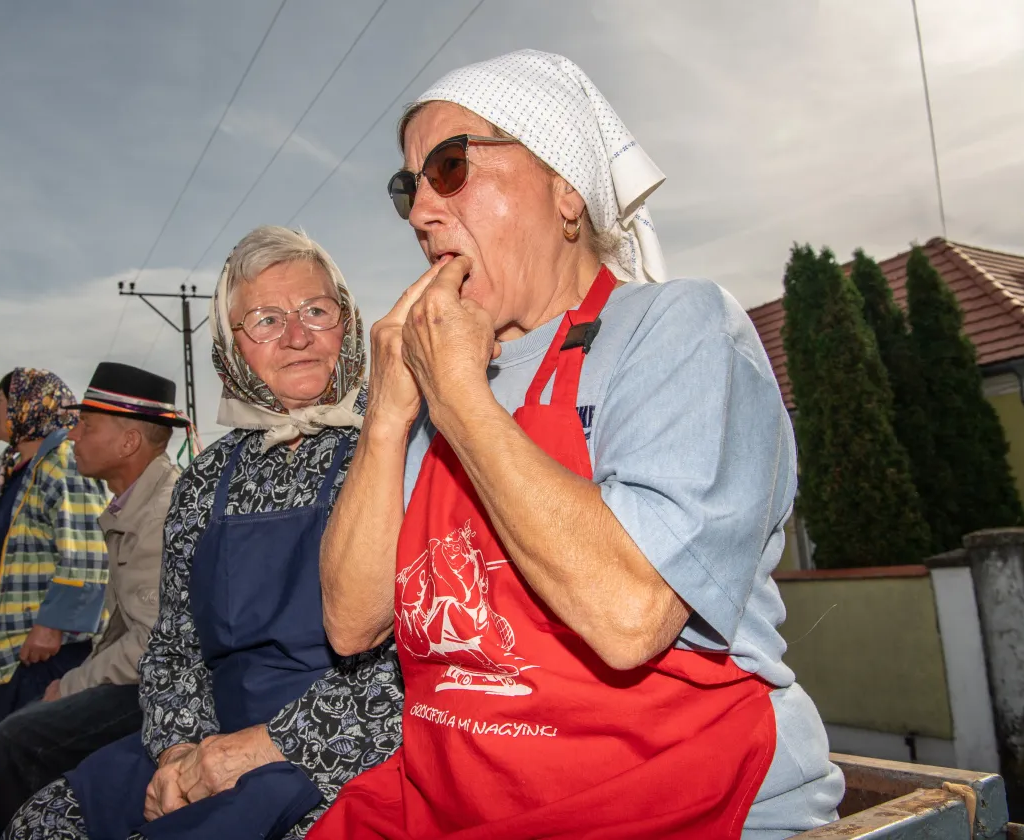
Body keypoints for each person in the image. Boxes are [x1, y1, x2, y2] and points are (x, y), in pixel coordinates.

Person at [312, 50, 845, 840]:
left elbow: (630, 614)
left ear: (565, 191)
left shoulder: (680, 330)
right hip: (449, 806)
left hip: (675, 801)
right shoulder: (425, 390)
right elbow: (352, 622)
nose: (421, 209)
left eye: (449, 167)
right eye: (408, 186)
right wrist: (389, 416)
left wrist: (459, 397)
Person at [5, 226, 403, 840]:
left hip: (334, 753)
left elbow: (417, 662)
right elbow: (174, 646)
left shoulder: (398, 446)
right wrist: (176, 755)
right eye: (266, 320)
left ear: (347, 323)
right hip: (205, 739)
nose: (297, 337)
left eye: (315, 311)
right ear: (232, 346)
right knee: (42, 824)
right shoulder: (211, 473)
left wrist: (254, 750)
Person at [0, 363, 188, 839]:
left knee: (17, 740)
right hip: (144, 670)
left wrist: (72, 684)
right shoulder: (132, 501)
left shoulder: (162, 512)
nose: (72, 436)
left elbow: (150, 644)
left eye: (85, 425)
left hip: (164, 683)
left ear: (129, 442)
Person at [0, 369, 110, 737]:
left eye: (2, 402)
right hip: (10, 655)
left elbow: (90, 557)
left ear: (29, 407)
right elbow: (10, 568)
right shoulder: (12, 470)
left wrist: (51, 628)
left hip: (48, 656)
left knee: (33, 769)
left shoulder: (66, 463)